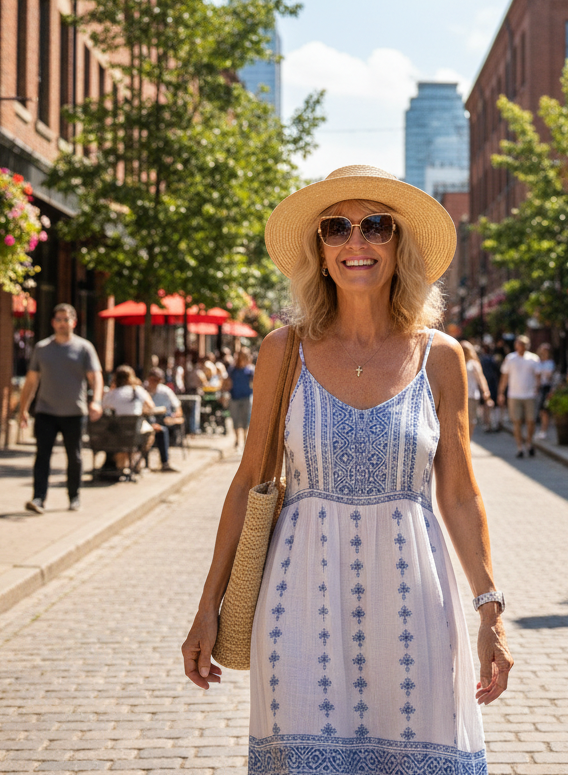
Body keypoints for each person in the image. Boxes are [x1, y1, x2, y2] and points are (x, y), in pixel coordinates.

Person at [182, 165, 512, 774]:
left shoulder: (440, 356)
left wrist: (490, 612)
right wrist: (208, 606)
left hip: (415, 605)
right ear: (320, 249)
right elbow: (247, 480)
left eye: (376, 226)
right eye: (336, 228)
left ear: (399, 244)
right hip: (297, 600)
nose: (355, 241)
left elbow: (461, 494)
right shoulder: (283, 351)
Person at [18, 304, 103, 514]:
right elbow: (31, 381)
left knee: (74, 456)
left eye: (66, 319)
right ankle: (38, 498)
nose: (62, 323)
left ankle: (74, 497)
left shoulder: (84, 348)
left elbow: (95, 377)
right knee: (42, 456)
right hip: (45, 411)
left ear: (74, 322)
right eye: (59, 319)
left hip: (74, 412)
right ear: (53, 323)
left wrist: (96, 401)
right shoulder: (42, 348)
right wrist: (23, 409)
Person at [102, 365, 156, 474]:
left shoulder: (112, 394)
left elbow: (103, 406)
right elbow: (151, 406)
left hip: (118, 433)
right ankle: (136, 461)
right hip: (135, 432)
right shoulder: (137, 390)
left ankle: (124, 465)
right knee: (150, 432)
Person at [498, 334, 540, 458]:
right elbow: (504, 377)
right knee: (517, 421)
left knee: (531, 421)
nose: (520, 346)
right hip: (514, 395)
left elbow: (538, 376)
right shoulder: (510, 358)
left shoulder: (533, 359)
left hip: (530, 395)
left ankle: (529, 443)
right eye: (518, 344)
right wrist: (501, 393)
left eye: (523, 344)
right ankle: (520, 447)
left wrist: (537, 388)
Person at [145, 367, 184, 472]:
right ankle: (145, 463)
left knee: (162, 430)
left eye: (158, 380)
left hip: (163, 418)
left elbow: (178, 407)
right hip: (146, 419)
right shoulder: (142, 390)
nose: (155, 382)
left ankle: (165, 462)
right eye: (153, 380)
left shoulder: (165, 391)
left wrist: (174, 416)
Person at [224, 347, 255, 452]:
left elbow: (255, 383)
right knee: (235, 419)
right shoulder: (232, 370)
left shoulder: (250, 370)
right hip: (234, 397)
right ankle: (237, 440)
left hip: (246, 397)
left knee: (246, 419)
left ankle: (246, 440)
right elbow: (227, 382)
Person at [461, 340, 492, 438]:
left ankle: (468, 440)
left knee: (471, 420)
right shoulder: (457, 362)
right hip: (459, 396)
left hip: (471, 395)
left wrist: (485, 391)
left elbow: (480, 378)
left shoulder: (473, 364)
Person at [534, 343, 556, 440]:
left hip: (547, 388)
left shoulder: (550, 363)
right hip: (539, 388)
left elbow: (549, 376)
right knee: (540, 411)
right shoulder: (538, 362)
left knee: (544, 410)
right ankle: (541, 430)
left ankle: (544, 431)